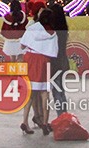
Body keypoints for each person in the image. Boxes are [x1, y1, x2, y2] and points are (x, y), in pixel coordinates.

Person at [20, 7, 58, 135]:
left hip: (30, 59)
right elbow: (54, 51)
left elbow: (22, 45)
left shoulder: (32, 28)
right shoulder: (52, 32)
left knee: (30, 93)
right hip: (43, 61)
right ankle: (45, 123)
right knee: (44, 93)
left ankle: (25, 121)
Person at [49, 4, 69, 117]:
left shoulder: (52, 31)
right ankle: (64, 114)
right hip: (63, 60)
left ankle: (60, 115)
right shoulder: (64, 28)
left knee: (56, 91)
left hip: (54, 62)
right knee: (61, 89)